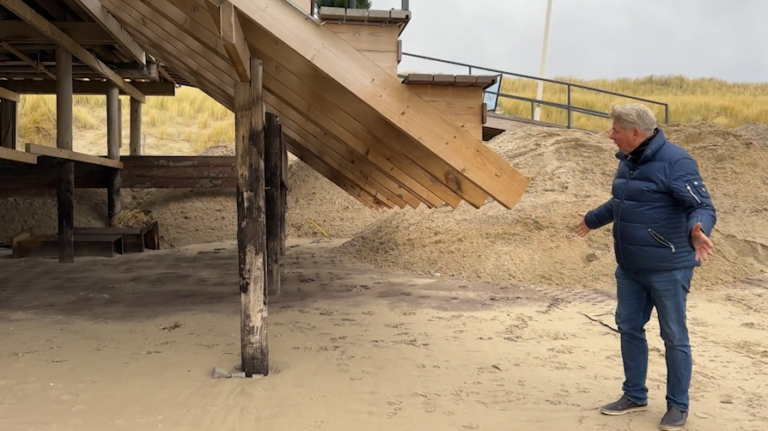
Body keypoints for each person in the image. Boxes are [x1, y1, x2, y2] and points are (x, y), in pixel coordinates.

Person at [576, 103, 716, 431]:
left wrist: (698, 229)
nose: (610, 136)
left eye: (615, 130)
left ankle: (677, 406)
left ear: (635, 133)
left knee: (674, 336)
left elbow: (702, 206)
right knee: (628, 326)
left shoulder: (676, 162)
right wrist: (591, 220)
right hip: (630, 267)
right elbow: (624, 201)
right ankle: (634, 395)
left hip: (668, 267)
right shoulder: (629, 162)